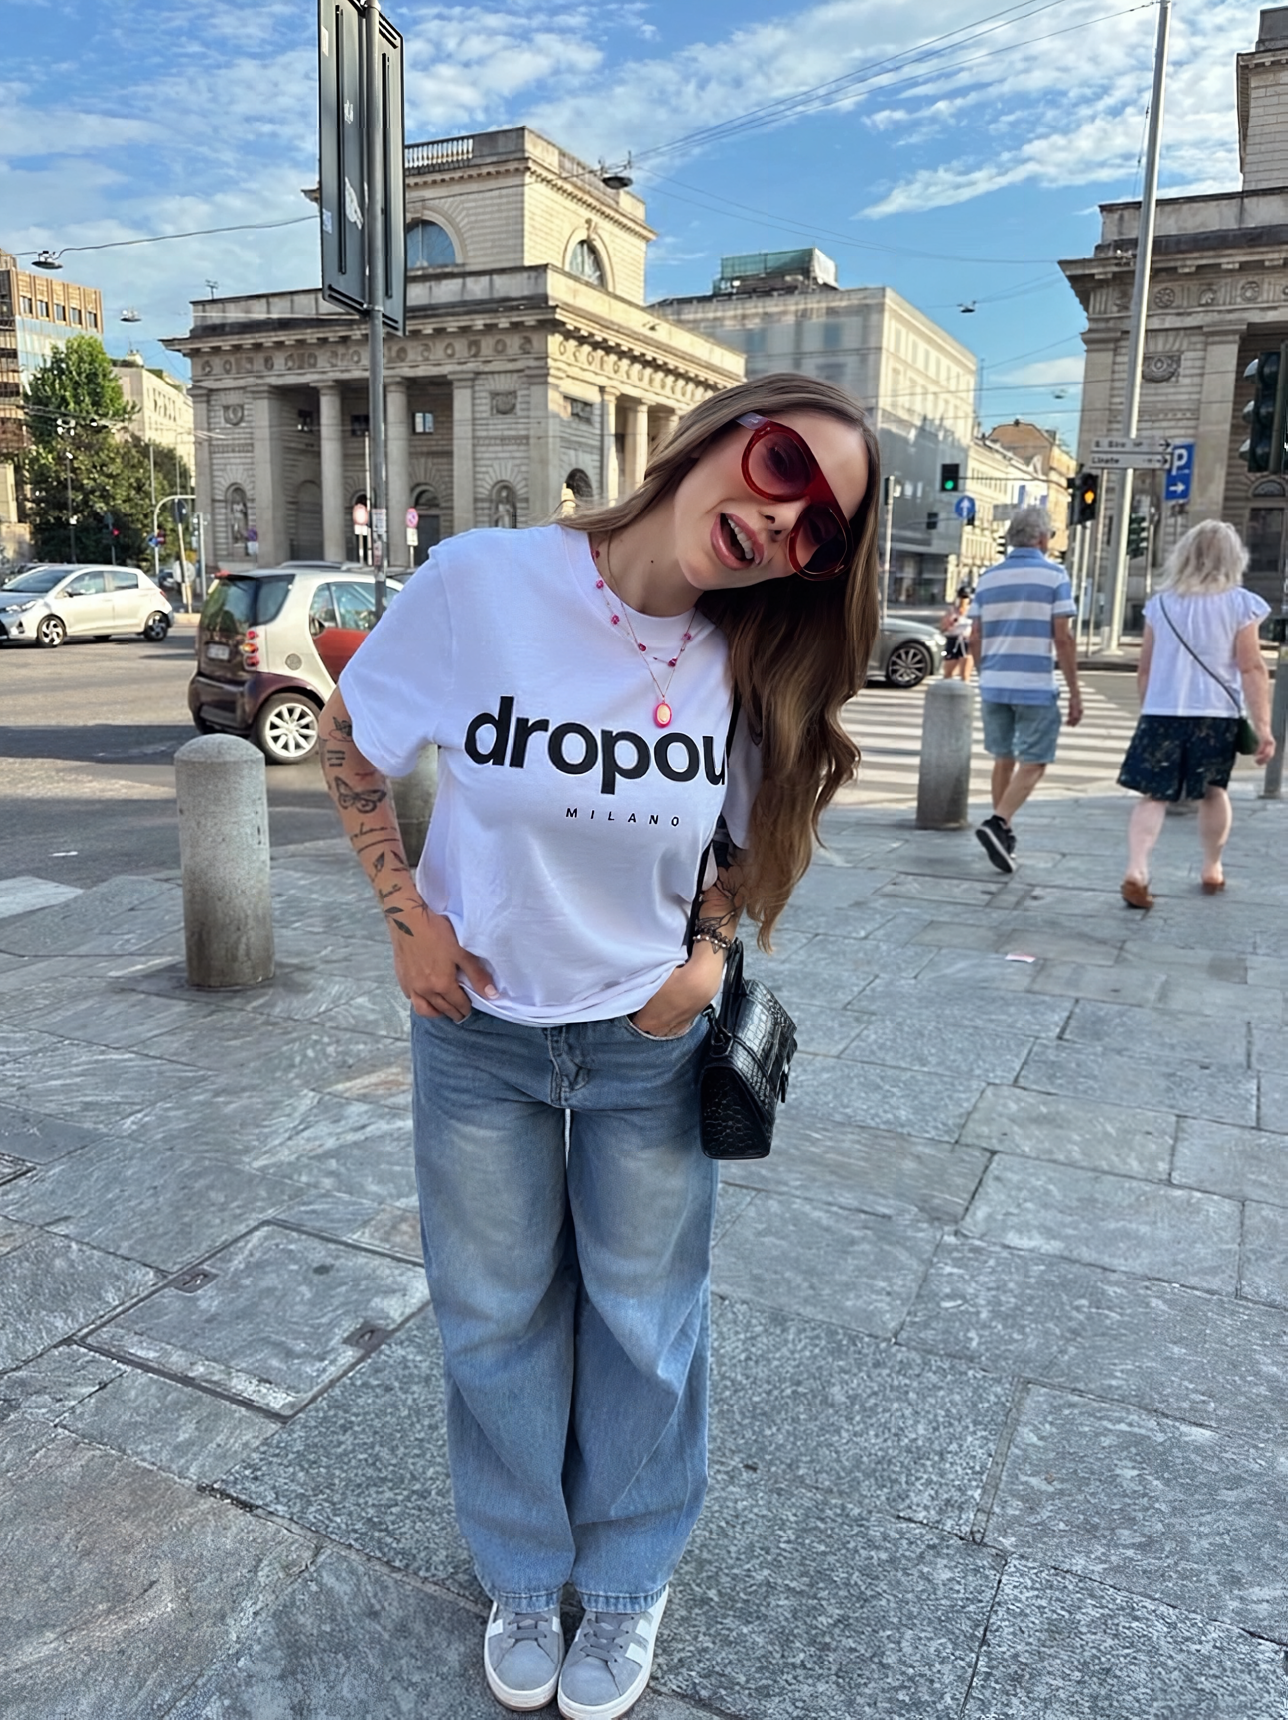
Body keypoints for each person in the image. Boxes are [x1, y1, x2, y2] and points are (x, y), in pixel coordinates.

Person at [318, 374, 879, 1720]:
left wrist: (706, 956)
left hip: (644, 1043)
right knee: (493, 1313)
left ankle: (626, 1580)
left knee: (643, 1321)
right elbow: (349, 740)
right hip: (479, 1036)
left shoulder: (749, 654)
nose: (783, 521)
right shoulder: (485, 581)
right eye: (783, 466)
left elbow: (749, 835)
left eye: (820, 530)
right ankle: (522, 1572)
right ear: (718, 435)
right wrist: (407, 920)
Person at [1117, 519, 1274, 908]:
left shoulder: (1161, 604)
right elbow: (1251, 667)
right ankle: (1211, 867)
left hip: (1162, 712)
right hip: (1215, 715)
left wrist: (1149, 711)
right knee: (1214, 791)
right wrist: (1263, 726)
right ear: (1233, 558)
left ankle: (1136, 869)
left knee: (1153, 794)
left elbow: (1145, 669)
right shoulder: (1241, 604)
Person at [968, 506, 1083, 872]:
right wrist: (1074, 691)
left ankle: (1003, 835)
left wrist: (985, 673)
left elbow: (975, 636)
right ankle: (998, 822)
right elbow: (1062, 638)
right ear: (1043, 538)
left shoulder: (988, 578)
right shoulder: (1054, 576)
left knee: (1003, 759)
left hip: (994, 683)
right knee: (1034, 761)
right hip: (1034, 685)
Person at [938, 584, 974, 680]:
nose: (963, 600)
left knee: (965, 674)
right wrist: (950, 622)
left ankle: (964, 688)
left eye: (965, 597)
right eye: (961, 597)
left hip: (966, 642)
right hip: (953, 640)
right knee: (948, 673)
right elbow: (943, 628)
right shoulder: (952, 610)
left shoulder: (973, 611)